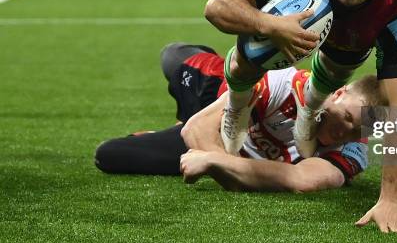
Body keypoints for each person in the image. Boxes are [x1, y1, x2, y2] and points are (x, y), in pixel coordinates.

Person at [203, 0, 397, 233]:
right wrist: (269, 24)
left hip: (346, 44)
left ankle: (310, 109)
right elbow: (217, 7)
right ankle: (236, 109)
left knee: (336, 67)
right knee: (246, 54)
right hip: (287, 25)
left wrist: (391, 200)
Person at [95, 42, 382, 192]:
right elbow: (196, 130)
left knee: (108, 155)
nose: (343, 131)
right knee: (172, 56)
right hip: (217, 96)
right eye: (346, 116)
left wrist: (213, 160)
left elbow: (301, 180)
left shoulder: (353, 153)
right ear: (339, 93)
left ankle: (158, 136)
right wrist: (232, 174)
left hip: (220, 145)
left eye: (355, 130)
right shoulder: (283, 83)